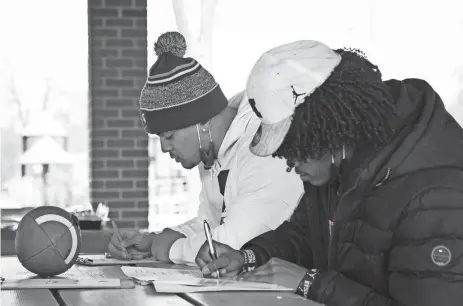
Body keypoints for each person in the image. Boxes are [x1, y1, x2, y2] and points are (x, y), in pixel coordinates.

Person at [195, 40, 463, 305]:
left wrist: (312, 283)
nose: (290, 165)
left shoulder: (435, 196)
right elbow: (303, 236)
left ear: (330, 130)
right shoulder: (337, 166)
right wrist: (248, 257)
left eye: (296, 149)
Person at [107, 31, 304, 265]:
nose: (163, 148)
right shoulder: (210, 150)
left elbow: (239, 239)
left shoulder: (263, 142)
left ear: (202, 122)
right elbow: (210, 223)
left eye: (168, 135)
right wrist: (155, 240)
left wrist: (173, 249)